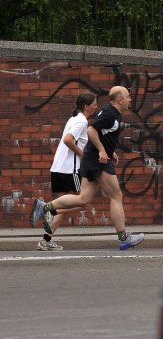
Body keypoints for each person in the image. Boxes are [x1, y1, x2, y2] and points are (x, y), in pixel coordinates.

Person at [30, 86, 145, 251]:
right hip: (95, 161)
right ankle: (123, 238)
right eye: (128, 96)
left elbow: (101, 133)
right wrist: (102, 151)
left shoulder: (111, 113)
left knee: (83, 200)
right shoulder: (109, 114)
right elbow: (91, 131)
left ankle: (45, 208)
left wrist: (109, 151)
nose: (130, 99)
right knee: (116, 196)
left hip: (92, 160)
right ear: (120, 100)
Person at [37, 91, 98, 251]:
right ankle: (47, 209)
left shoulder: (73, 119)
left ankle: (45, 240)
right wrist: (82, 154)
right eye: (94, 104)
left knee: (64, 207)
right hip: (69, 170)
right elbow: (68, 140)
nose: (96, 107)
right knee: (83, 203)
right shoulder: (82, 122)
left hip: (58, 168)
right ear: (86, 106)